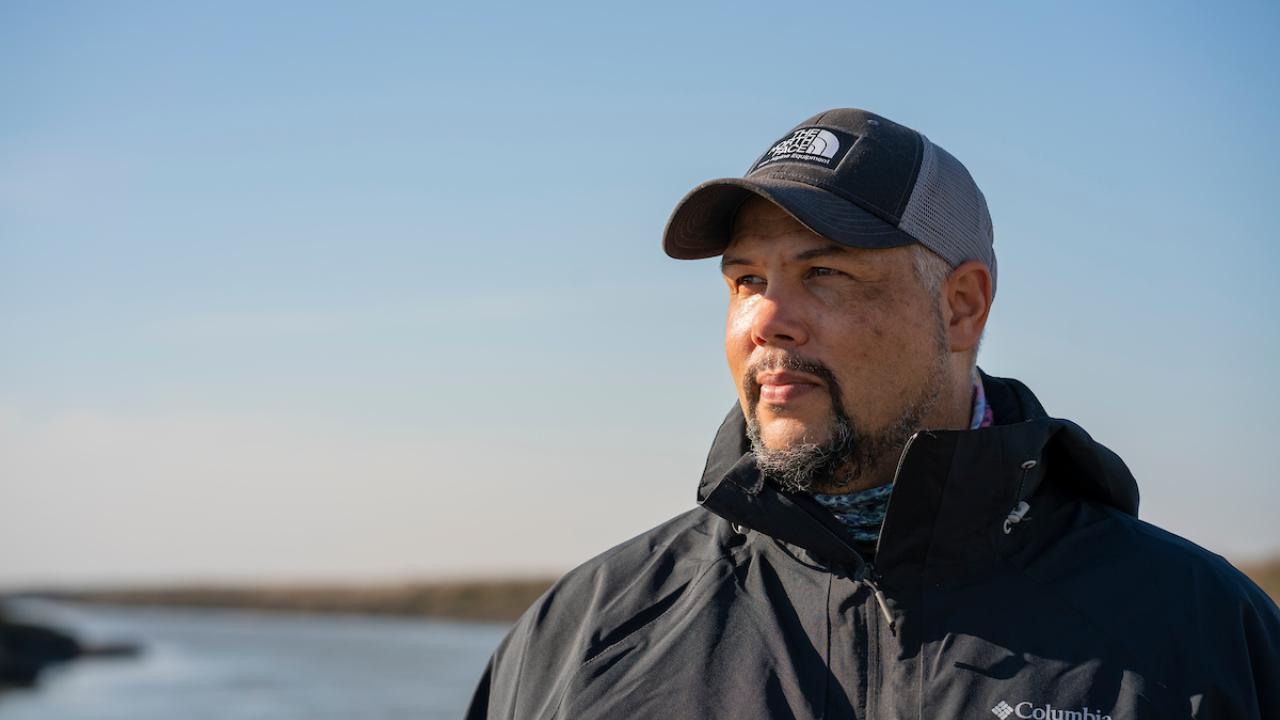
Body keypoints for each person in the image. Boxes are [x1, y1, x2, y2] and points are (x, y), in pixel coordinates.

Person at [465, 108, 1280, 719]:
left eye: (824, 273)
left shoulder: (1205, 632)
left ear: (961, 308)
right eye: (746, 280)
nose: (766, 321)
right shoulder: (588, 631)